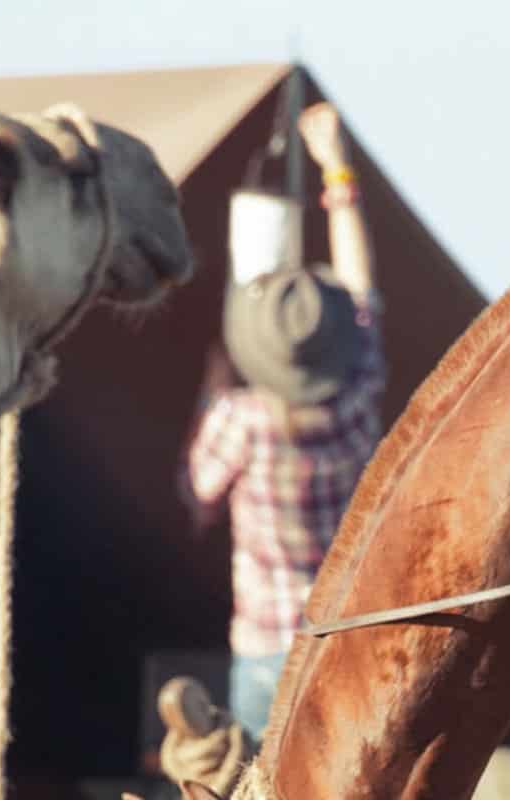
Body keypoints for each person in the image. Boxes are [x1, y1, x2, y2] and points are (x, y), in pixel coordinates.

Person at [183, 102, 385, 740]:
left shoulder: (240, 421)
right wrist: (337, 173)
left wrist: (212, 392)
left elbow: (196, 500)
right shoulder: (358, 391)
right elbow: (361, 293)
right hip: (351, 631)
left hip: (270, 647)